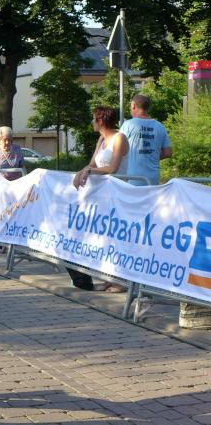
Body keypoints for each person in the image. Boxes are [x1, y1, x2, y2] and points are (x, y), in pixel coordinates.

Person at [72, 106, 130, 293]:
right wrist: (82, 171)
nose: (92, 122)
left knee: (116, 238)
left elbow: (113, 168)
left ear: (101, 121)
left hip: (118, 195)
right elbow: (92, 164)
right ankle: (108, 277)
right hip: (103, 196)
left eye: (94, 119)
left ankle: (121, 281)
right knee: (104, 238)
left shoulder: (119, 138)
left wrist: (89, 171)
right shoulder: (101, 139)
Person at [120, 94, 172, 186]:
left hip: (133, 178)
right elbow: (168, 153)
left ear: (133, 105)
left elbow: (118, 149)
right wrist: (152, 155)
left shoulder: (128, 125)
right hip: (153, 179)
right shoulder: (160, 126)